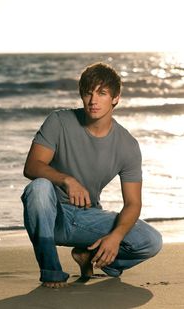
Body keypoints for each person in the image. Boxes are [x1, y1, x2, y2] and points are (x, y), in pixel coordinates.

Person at [21, 62, 162, 288]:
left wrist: (115, 237)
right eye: (88, 93)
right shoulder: (58, 122)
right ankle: (51, 271)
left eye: (102, 93)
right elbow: (32, 166)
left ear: (116, 98)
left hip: (87, 218)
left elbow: (133, 204)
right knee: (38, 188)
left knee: (151, 241)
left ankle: (91, 256)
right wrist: (67, 180)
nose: (93, 100)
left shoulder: (127, 145)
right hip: (51, 215)